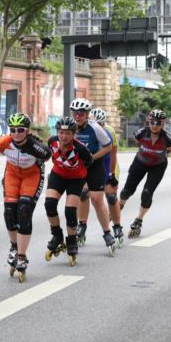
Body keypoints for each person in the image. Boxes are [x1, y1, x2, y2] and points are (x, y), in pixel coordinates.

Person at [0, 113, 50, 282]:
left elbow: (47, 155)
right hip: (12, 174)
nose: (16, 133)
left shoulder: (36, 147)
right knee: (9, 212)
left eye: (20, 130)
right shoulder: (2, 144)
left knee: (24, 210)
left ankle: (21, 255)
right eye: (12, 130)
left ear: (27, 131)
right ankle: (13, 246)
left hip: (32, 176)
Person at [44, 116, 95, 266]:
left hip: (76, 179)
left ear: (74, 134)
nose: (63, 136)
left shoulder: (80, 149)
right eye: (61, 132)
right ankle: (57, 235)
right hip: (58, 175)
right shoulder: (52, 142)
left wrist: (86, 184)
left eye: (67, 133)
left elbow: (89, 163)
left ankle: (72, 241)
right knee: (49, 204)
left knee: (70, 212)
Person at [119, 109, 171, 238]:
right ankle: (119, 207)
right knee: (126, 191)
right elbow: (136, 139)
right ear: (148, 121)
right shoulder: (141, 133)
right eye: (152, 122)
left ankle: (139, 220)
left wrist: (162, 152)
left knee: (147, 193)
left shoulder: (167, 138)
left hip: (158, 166)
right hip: (140, 162)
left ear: (163, 124)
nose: (155, 125)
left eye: (158, 123)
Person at [69, 98, 117, 254]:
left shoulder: (95, 128)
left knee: (97, 199)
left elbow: (108, 146)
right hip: (79, 167)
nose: (78, 115)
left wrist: (93, 157)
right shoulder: (70, 127)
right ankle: (82, 224)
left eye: (81, 113)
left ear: (87, 114)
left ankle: (107, 233)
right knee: (82, 194)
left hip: (96, 166)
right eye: (76, 113)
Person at [91, 107, 124, 245]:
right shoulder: (88, 129)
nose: (99, 127)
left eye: (101, 124)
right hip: (94, 165)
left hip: (109, 165)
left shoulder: (109, 131)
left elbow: (113, 154)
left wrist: (111, 174)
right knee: (84, 194)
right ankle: (82, 224)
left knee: (110, 196)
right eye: (96, 124)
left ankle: (117, 226)